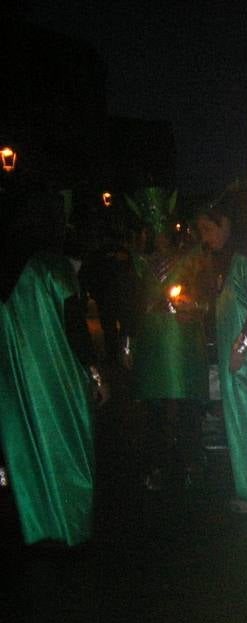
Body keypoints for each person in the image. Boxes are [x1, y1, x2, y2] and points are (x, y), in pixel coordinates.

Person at [0, 190, 105, 546]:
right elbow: (74, 325)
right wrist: (94, 372)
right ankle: (70, 524)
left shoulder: (10, 266)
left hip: (18, 377)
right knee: (68, 444)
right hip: (58, 377)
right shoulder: (53, 266)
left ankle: (38, 523)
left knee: (30, 444)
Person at [195, 200, 247, 512]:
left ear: (227, 223)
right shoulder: (232, 258)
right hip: (241, 355)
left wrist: (241, 348)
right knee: (243, 420)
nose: (206, 237)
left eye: (209, 228)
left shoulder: (246, 259)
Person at [127, 188, 208, 490]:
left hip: (182, 343)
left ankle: (190, 460)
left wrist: (191, 304)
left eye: (162, 229)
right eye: (153, 229)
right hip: (152, 344)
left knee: (186, 403)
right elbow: (133, 303)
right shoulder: (141, 264)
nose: (158, 236)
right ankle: (157, 463)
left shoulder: (190, 260)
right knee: (155, 407)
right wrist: (127, 340)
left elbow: (205, 298)